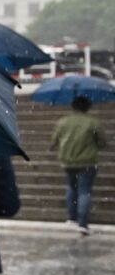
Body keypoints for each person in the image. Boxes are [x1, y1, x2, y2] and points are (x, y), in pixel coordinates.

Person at [51, 94, 104, 235]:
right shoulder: (93, 123)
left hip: (67, 161)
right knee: (84, 191)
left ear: (72, 106)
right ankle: (83, 223)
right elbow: (102, 143)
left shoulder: (63, 122)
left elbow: (54, 141)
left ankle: (71, 217)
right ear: (88, 107)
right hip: (87, 162)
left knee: (71, 188)